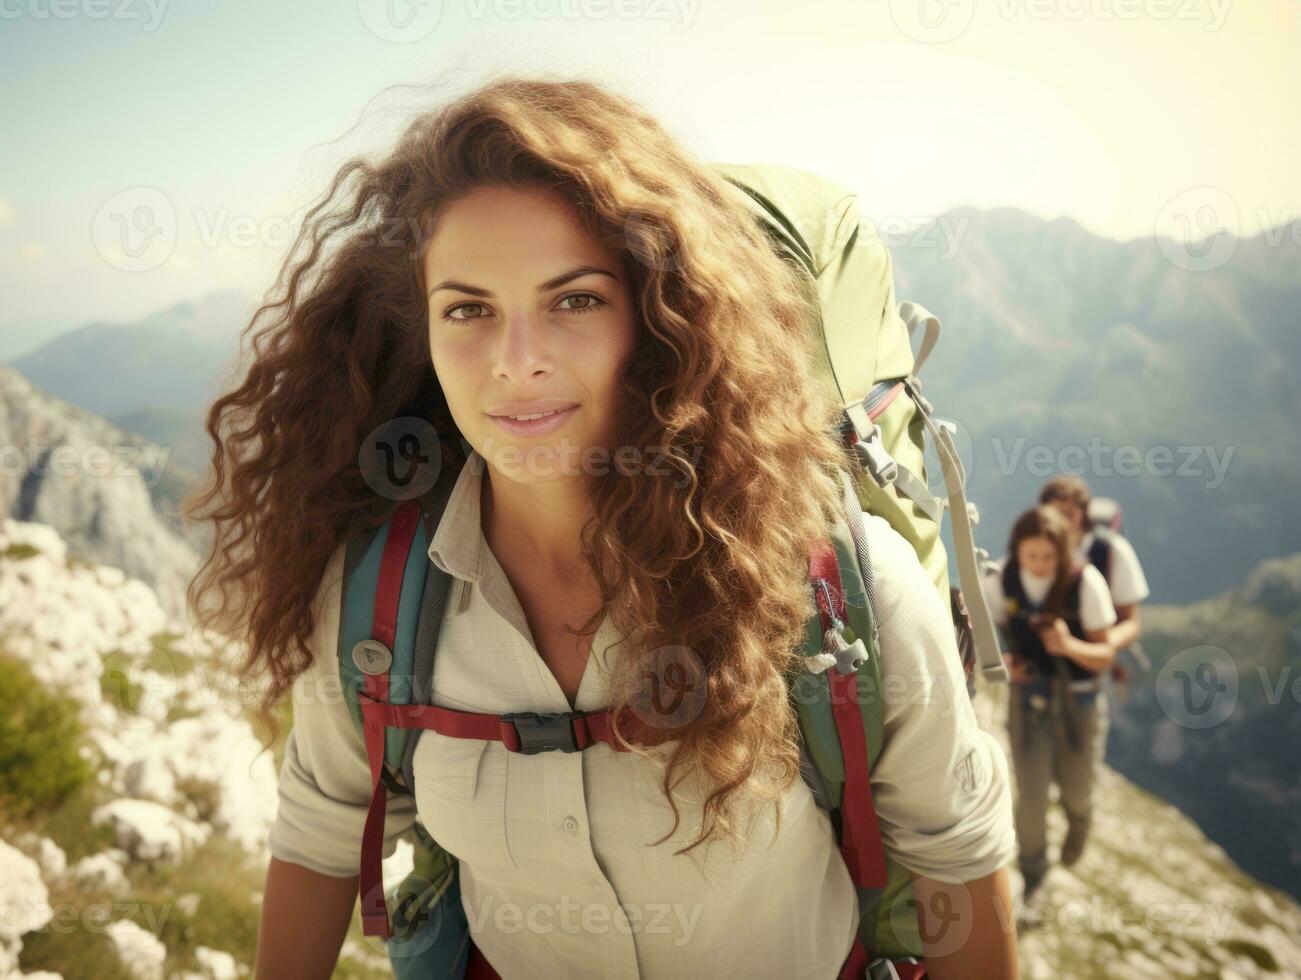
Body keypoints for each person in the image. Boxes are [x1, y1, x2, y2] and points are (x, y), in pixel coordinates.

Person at [184, 75, 1019, 979]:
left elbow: (954, 867)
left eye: (574, 299)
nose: (516, 362)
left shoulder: (835, 588)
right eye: (468, 309)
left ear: (662, 318)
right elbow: (317, 834)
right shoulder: (375, 606)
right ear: (419, 330)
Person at [981, 505, 1117, 907]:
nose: (1039, 565)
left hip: (1079, 697)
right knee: (1032, 793)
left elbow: (1105, 654)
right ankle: (1034, 876)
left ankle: (1080, 817)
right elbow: (988, 633)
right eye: (1031, 556)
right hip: (1029, 697)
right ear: (1017, 551)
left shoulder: (1084, 582)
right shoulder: (1000, 580)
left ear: (1063, 554)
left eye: (1048, 557)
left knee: (1075, 788)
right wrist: (1006, 660)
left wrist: (1068, 646)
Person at [1038, 475, 1151, 676]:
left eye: (1069, 514)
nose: (1062, 522)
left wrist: (1095, 646)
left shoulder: (1111, 550)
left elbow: (1132, 622)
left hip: (1098, 669)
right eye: (1055, 514)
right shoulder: (1037, 552)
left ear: (1084, 514)